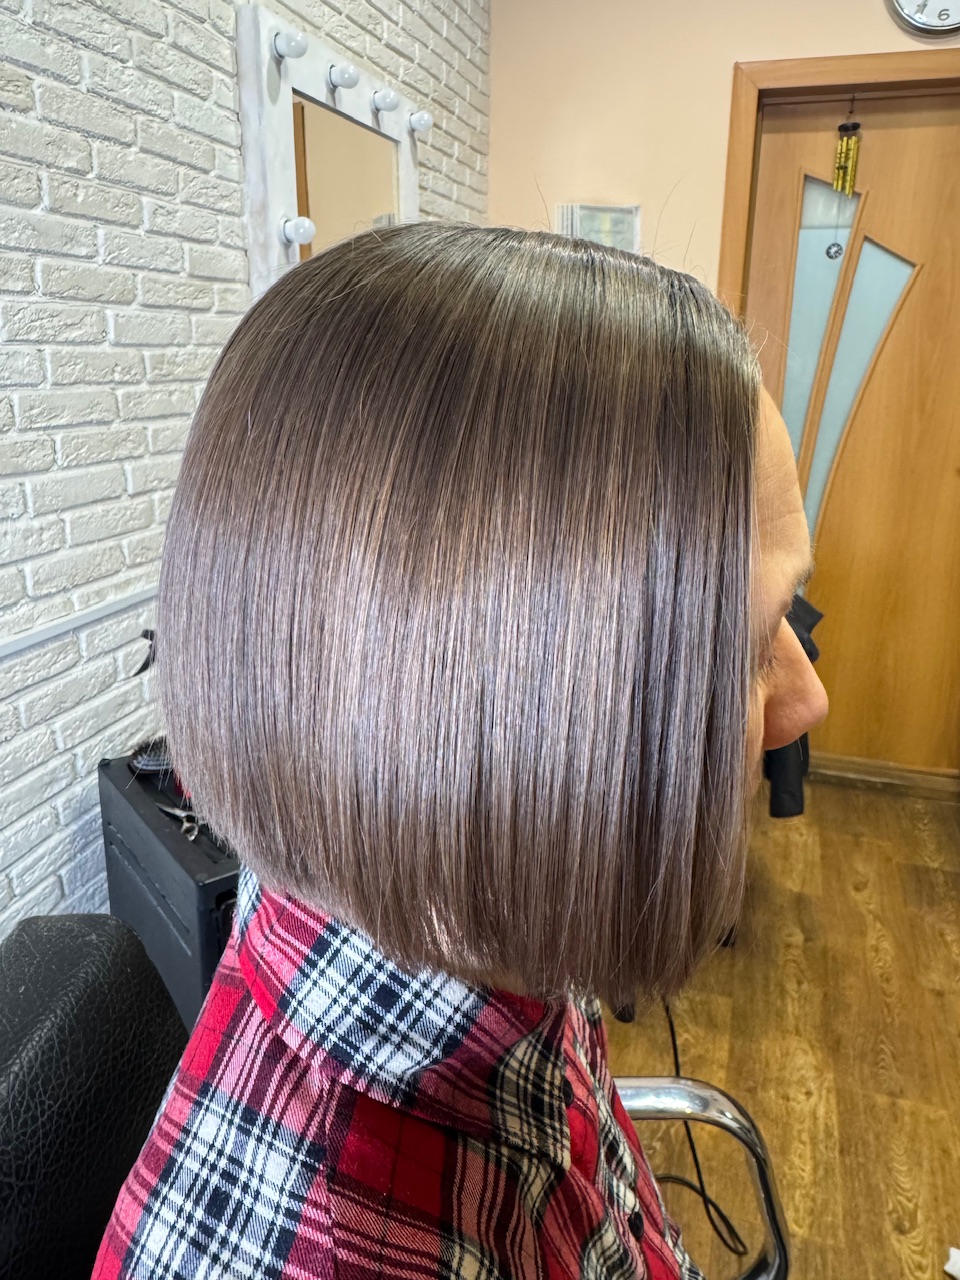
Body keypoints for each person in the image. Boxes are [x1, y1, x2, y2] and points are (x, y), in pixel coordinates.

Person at [93, 223, 826, 1280]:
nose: (806, 700)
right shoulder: (334, 1247)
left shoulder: (483, 915)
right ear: (504, 708)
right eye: (754, 645)